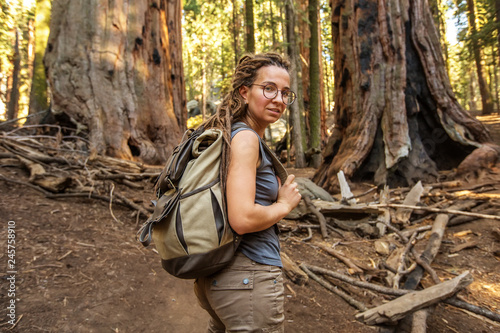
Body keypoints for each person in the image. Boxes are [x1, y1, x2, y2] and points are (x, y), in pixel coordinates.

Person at [193, 52, 302, 332]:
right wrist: (284, 205)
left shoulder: (232, 133)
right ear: (244, 91)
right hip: (247, 278)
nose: (278, 99)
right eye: (269, 88)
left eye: (285, 93)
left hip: (220, 277)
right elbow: (241, 218)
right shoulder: (246, 139)